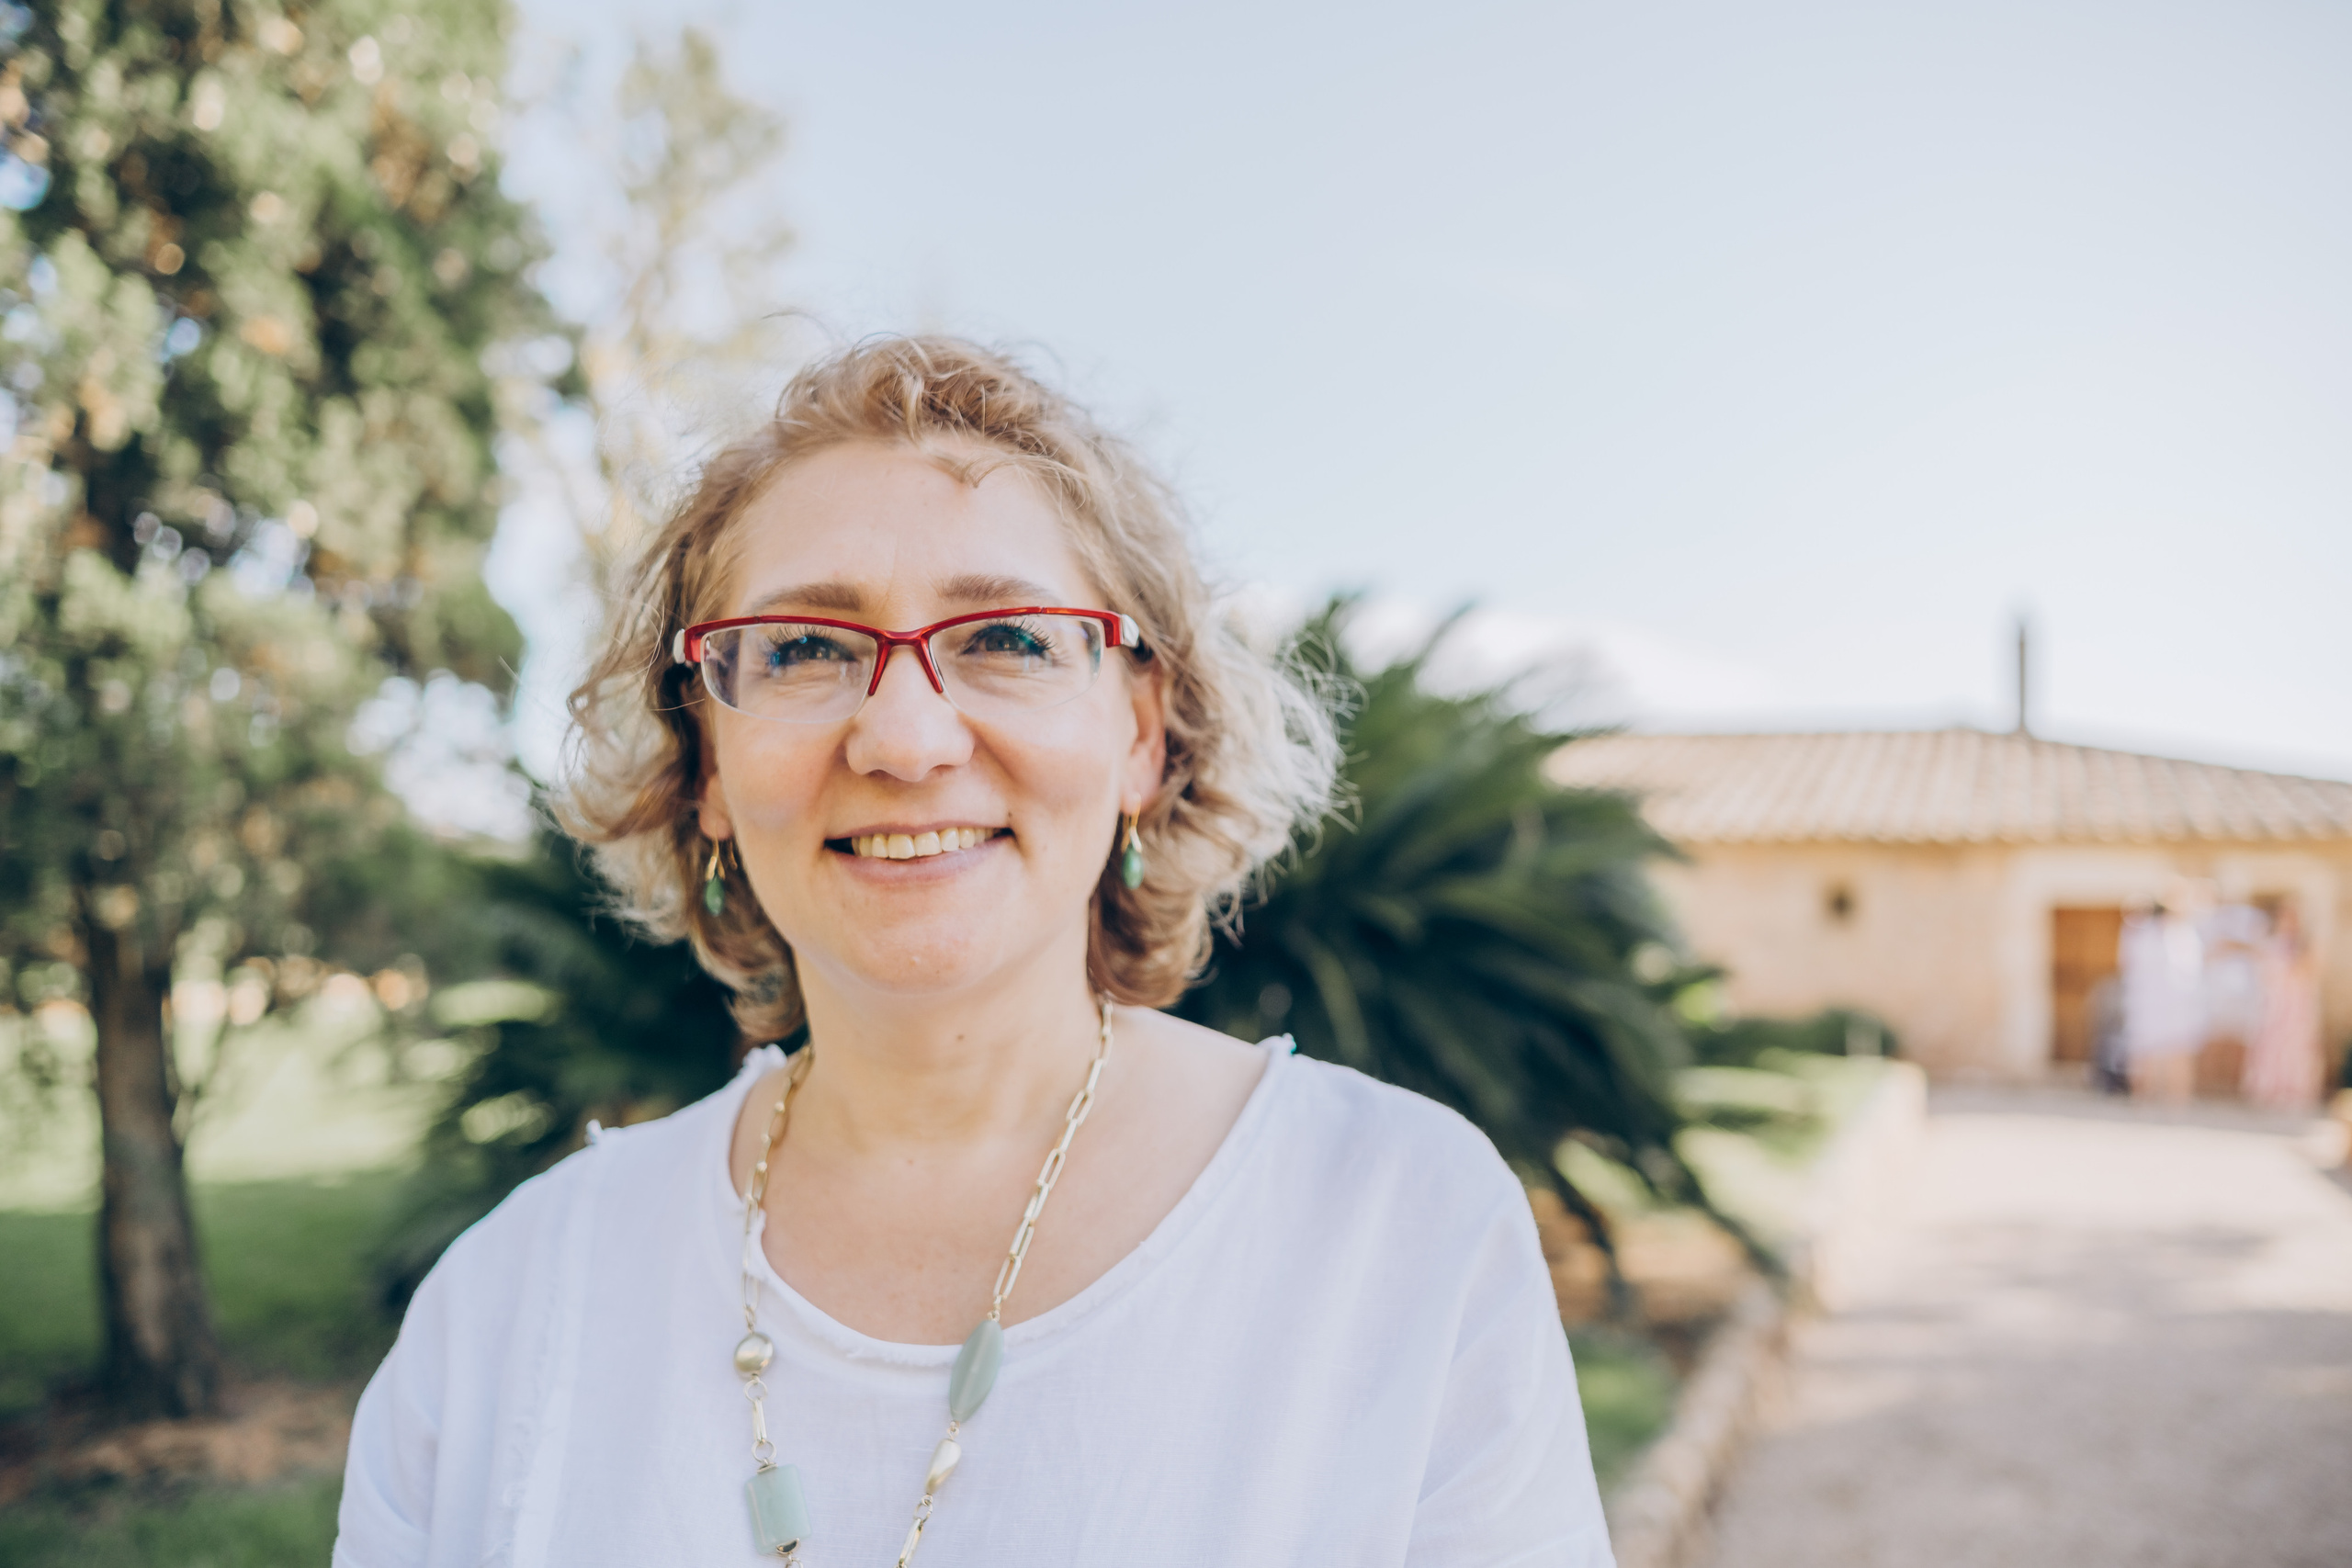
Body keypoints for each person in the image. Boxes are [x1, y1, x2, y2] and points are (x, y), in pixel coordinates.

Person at [333, 337, 1614, 1567]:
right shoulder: (504, 1307)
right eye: (803, 648)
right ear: (704, 760)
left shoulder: (1401, 1225)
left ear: (1143, 734)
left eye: (1005, 637)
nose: (903, 735)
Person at [2119, 890, 2204, 1105]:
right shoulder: (2141, 933)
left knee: (2176, 1052)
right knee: (2147, 1054)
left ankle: (2175, 1102)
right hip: (2150, 1002)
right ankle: (2146, 1100)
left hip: (2174, 1003)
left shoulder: (2182, 933)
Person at [2243, 903, 2324, 1111]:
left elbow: (2310, 974)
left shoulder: (2304, 946)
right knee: (2271, 1046)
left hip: (2297, 1007)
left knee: (2295, 1049)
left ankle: (2294, 1093)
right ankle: (2269, 1090)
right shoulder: (2271, 943)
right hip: (2273, 1006)